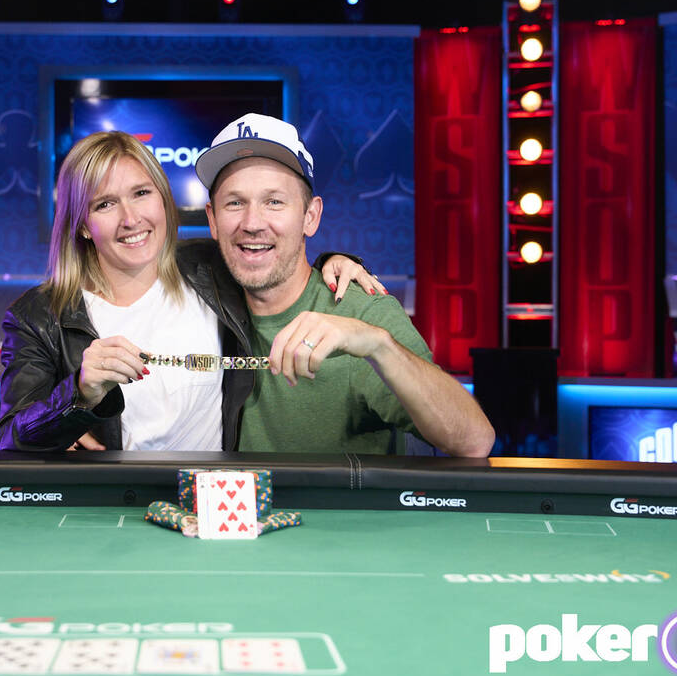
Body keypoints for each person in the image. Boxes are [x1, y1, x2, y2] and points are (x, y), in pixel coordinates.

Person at [0, 130, 383, 453]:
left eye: (142, 193)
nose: (131, 219)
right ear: (80, 224)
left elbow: (275, 255)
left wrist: (337, 262)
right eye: (106, 203)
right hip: (111, 507)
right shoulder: (39, 316)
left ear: (164, 200)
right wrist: (78, 395)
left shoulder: (210, 268)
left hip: (211, 499)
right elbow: (8, 440)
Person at [195, 113, 495, 457]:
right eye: (235, 203)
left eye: (274, 201)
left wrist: (377, 344)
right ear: (213, 220)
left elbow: (474, 441)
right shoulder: (197, 299)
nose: (252, 223)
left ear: (311, 216)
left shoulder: (362, 309)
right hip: (236, 509)